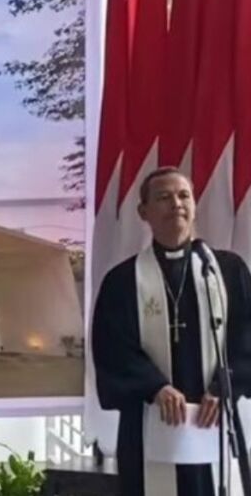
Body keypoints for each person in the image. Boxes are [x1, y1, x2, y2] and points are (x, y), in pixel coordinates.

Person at [92, 166, 251, 496]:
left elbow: (245, 338)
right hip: (149, 422)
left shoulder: (226, 270)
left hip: (214, 419)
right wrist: (155, 386)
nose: (176, 204)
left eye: (183, 196)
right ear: (144, 212)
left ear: (194, 205)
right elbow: (112, 349)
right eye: (163, 197)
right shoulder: (122, 281)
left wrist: (223, 386)